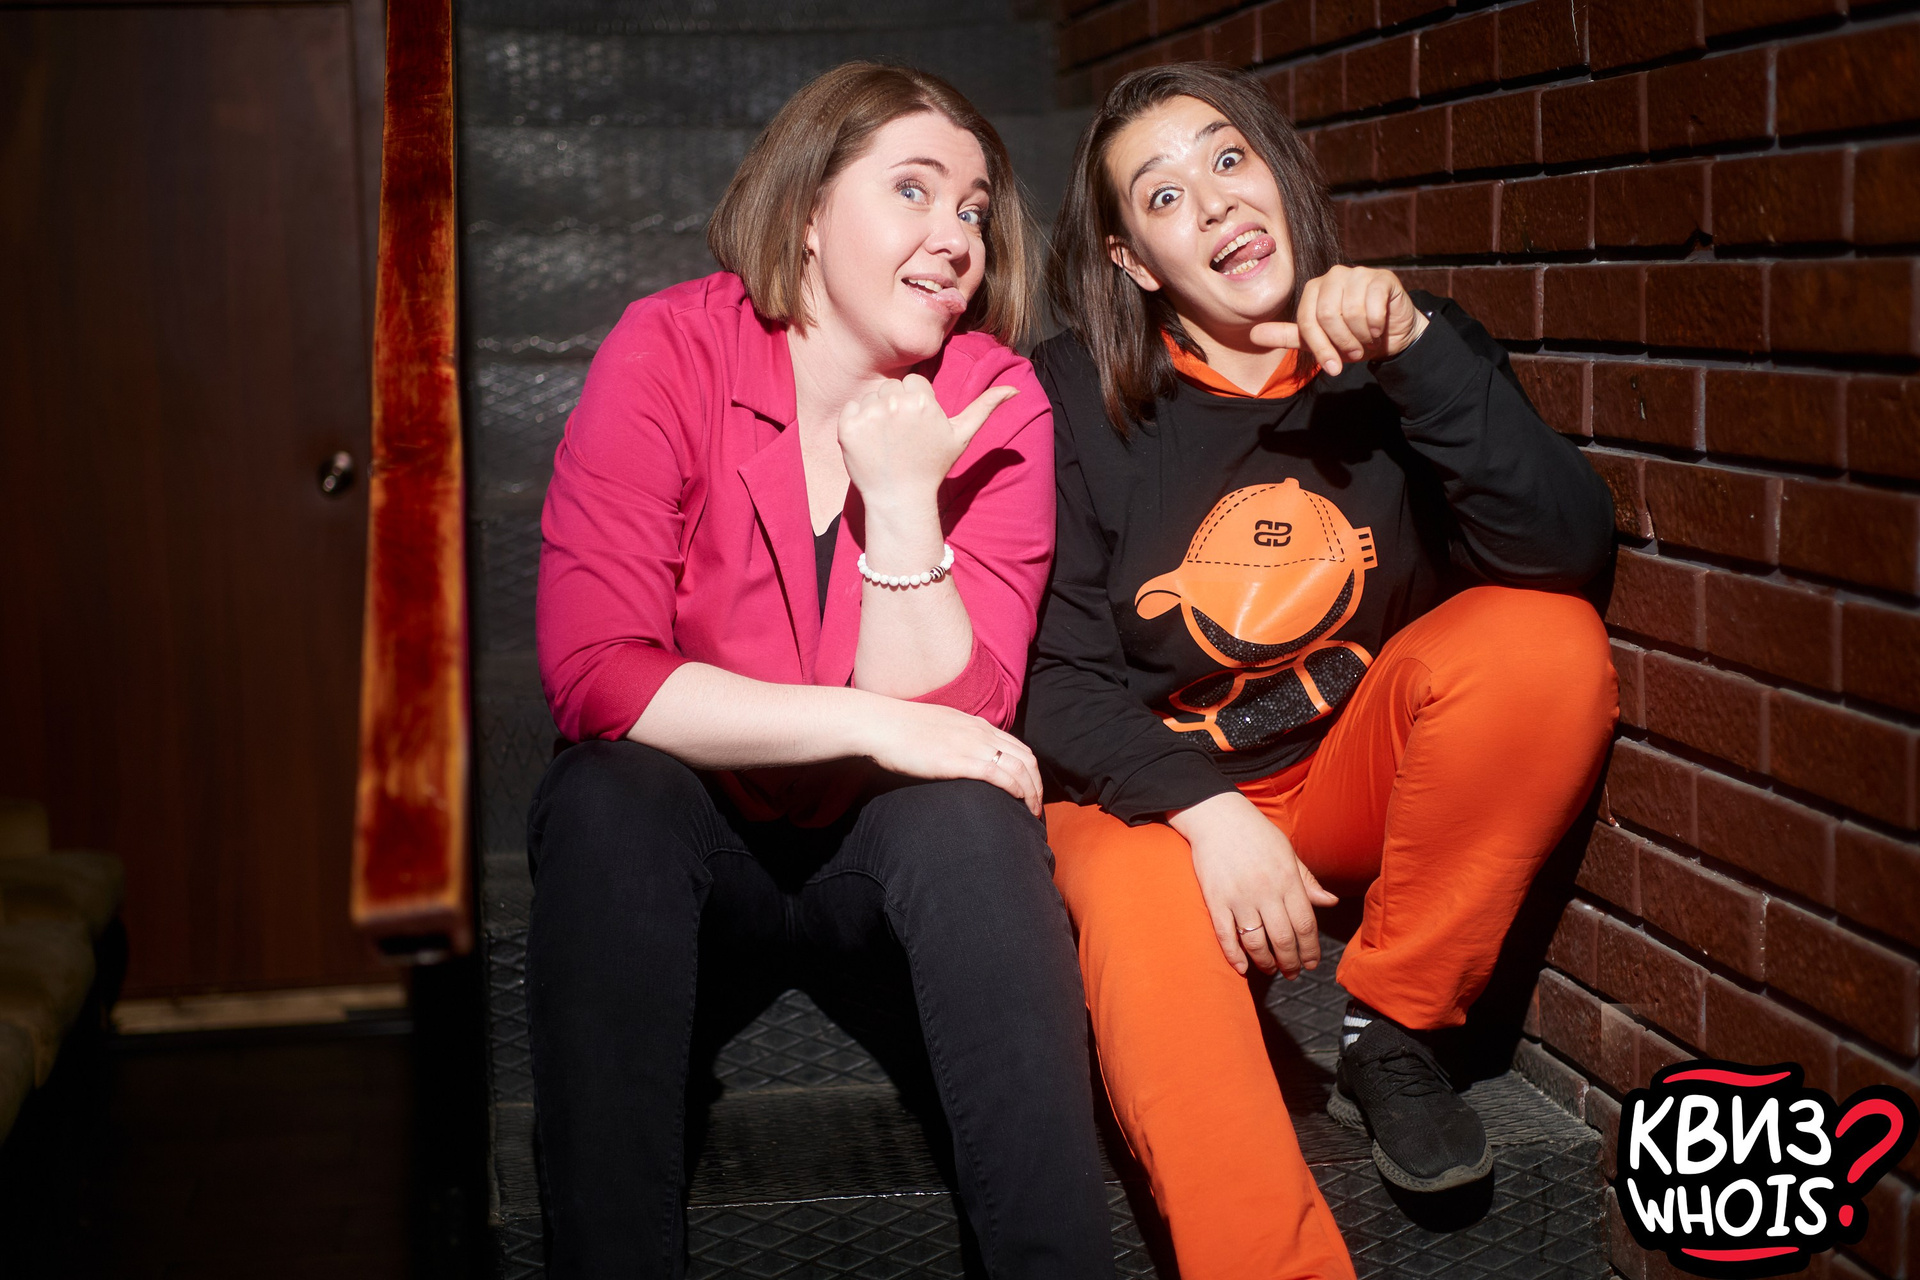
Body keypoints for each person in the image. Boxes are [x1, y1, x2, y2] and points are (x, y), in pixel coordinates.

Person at [1025, 63, 1618, 1280]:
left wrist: (1417, 358)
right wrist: (1206, 812)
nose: (1214, 202)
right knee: (1136, 903)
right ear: (1134, 260)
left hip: (1351, 787)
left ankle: (1393, 1023)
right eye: (1164, 194)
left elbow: (1564, 553)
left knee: (1547, 642)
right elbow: (1048, 677)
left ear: (1280, 174)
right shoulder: (1069, 397)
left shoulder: (1408, 346)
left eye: (1227, 158)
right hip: (1155, 808)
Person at [527, 62, 1114, 1278]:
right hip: (693, 854)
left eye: (973, 208)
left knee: (971, 815)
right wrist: (865, 720)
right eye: (914, 190)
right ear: (805, 210)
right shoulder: (671, 348)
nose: (956, 236)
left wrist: (902, 504)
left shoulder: (994, 396)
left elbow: (966, 715)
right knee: (606, 793)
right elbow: (598, 671)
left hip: (882, 868)